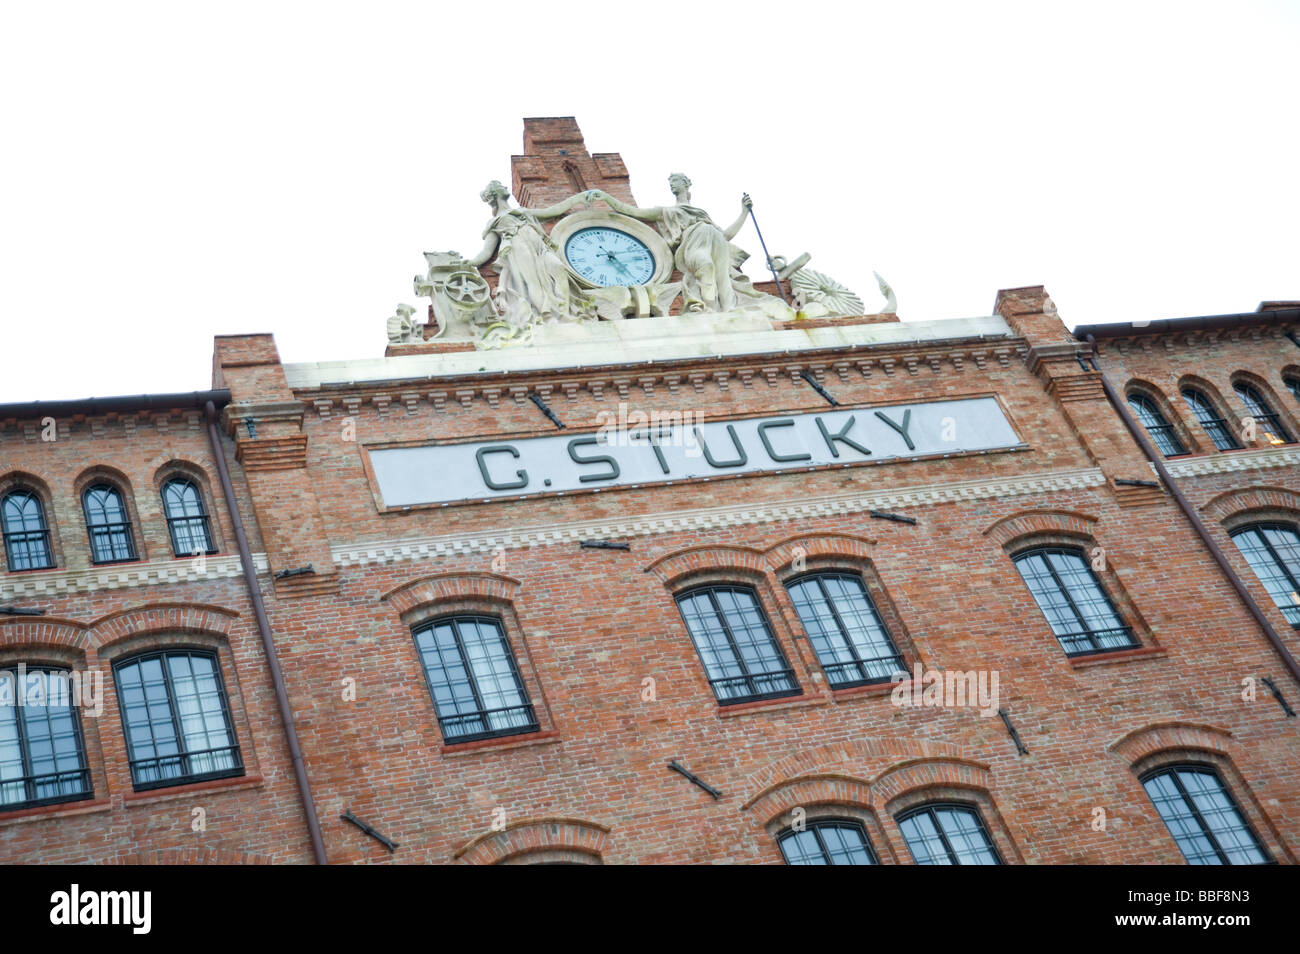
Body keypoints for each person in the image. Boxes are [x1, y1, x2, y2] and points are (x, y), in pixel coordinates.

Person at [589, 175, 752, 313]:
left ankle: (727, 310)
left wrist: (744, 212)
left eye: (675, 180)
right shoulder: (666, 212)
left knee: (723, 278)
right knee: (706, 266)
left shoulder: (702, 214)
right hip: (693, 244)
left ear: (686, 183)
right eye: (670, 181)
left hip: (715, 240)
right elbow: (632, 211)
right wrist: (607, 198)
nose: (672, 184)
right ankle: (708, 310)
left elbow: (726, 235)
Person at [461, 181, 593, 327]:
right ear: (494, 193)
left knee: (558, 268)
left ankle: (563, 311)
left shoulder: (523, 211)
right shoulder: (495, 222)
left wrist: (578, 198)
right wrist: (471, 262)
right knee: (533, 282)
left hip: (540, 247)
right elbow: (487, 251)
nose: (505, 187)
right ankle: (549, 316)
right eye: (500, 185)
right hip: (519, 247)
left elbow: (553, 211)